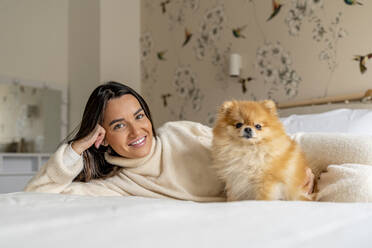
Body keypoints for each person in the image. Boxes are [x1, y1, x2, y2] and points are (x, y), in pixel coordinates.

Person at [24, 81, 225, 202]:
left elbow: (247, 152)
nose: (136, 131)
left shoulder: (181, 132)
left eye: (139, 116)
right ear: (102, 138)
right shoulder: (116, 185)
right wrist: (77, 148)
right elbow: (37, 194)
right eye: (119, 126)